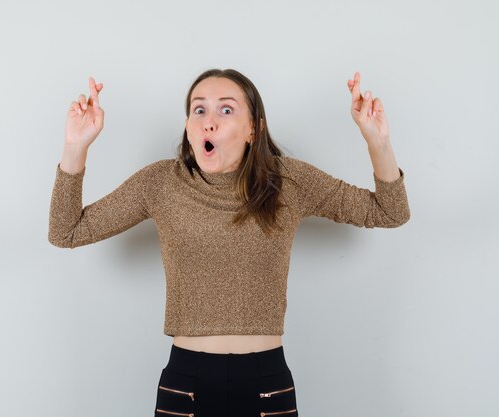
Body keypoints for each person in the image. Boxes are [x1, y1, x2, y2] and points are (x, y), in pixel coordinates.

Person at [48, 69, 410, 417]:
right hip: (185, 382)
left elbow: (390, 211)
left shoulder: (289, 181)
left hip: (266, 383)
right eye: (199, 109)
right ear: (189, 128)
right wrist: (75, 146)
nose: (209, 120)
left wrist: (377, 141)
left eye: (226, 109)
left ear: (254, 129)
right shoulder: (159, 183)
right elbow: (66, 231)